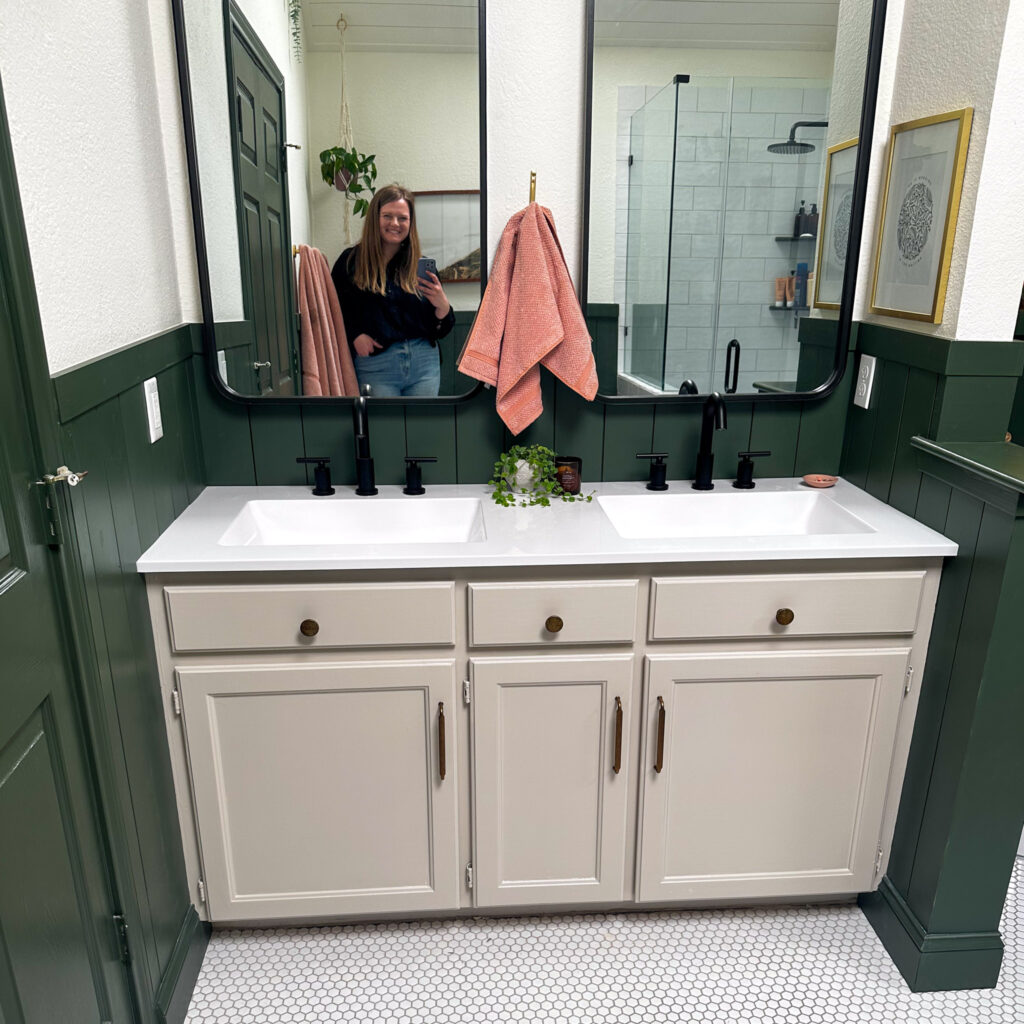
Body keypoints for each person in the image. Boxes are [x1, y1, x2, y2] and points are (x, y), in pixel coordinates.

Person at [331, 184, 455, 397]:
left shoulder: (421, 266)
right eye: (387, 216)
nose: (395, 223)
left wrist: (443, 307)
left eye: (403, 218)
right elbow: (334, 310)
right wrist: (355, 335)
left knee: (421, 429)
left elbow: (439, 331)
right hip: (376, 363)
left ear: (410, 222)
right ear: (375, 219)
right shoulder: (351, 262)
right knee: (383, 429)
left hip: (424, 362)